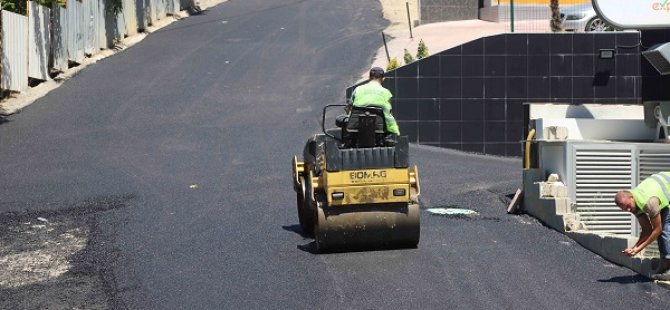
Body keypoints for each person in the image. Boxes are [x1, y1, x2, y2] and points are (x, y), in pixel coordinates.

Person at [614, 172, 670, 280]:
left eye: (628, 206)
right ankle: (664, 265)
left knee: (665, 230)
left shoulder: (649, 202)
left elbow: (657, 230)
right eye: (625, 209)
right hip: (661, 194)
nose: (628, 210)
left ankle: (668, 267)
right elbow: (646, 230)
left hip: (666, 188)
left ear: (631, 197)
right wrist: (634, 248)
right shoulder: (633, 204)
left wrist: (638, 249)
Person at [350, 67, 400, 144]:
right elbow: (388, 113)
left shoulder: (358, 89)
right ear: (383, 79)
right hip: (378, 127)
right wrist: (394, 129)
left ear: (369, 77)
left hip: (355, 125)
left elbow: (350, 106)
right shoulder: (386, 93)